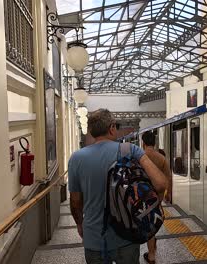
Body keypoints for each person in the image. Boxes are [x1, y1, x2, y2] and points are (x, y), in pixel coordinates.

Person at [68, 109, 168, 264]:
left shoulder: (76, 158)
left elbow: (75, 203)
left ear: (91, 131)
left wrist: (80, 225)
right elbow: (161, 184)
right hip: (127, 237)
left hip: (93, 239)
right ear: (112, 128)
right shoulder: (130, 150)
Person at [141, 131, 173, 264]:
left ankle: (152, 255)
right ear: (154, 143)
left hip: (142, 198)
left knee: (146, 224)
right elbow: (168, 178)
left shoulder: (141, 157)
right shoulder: (161, 158)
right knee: (152, 222)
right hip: (157, 198)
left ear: (143, 143)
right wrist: (169, 194)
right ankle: (152, 247)